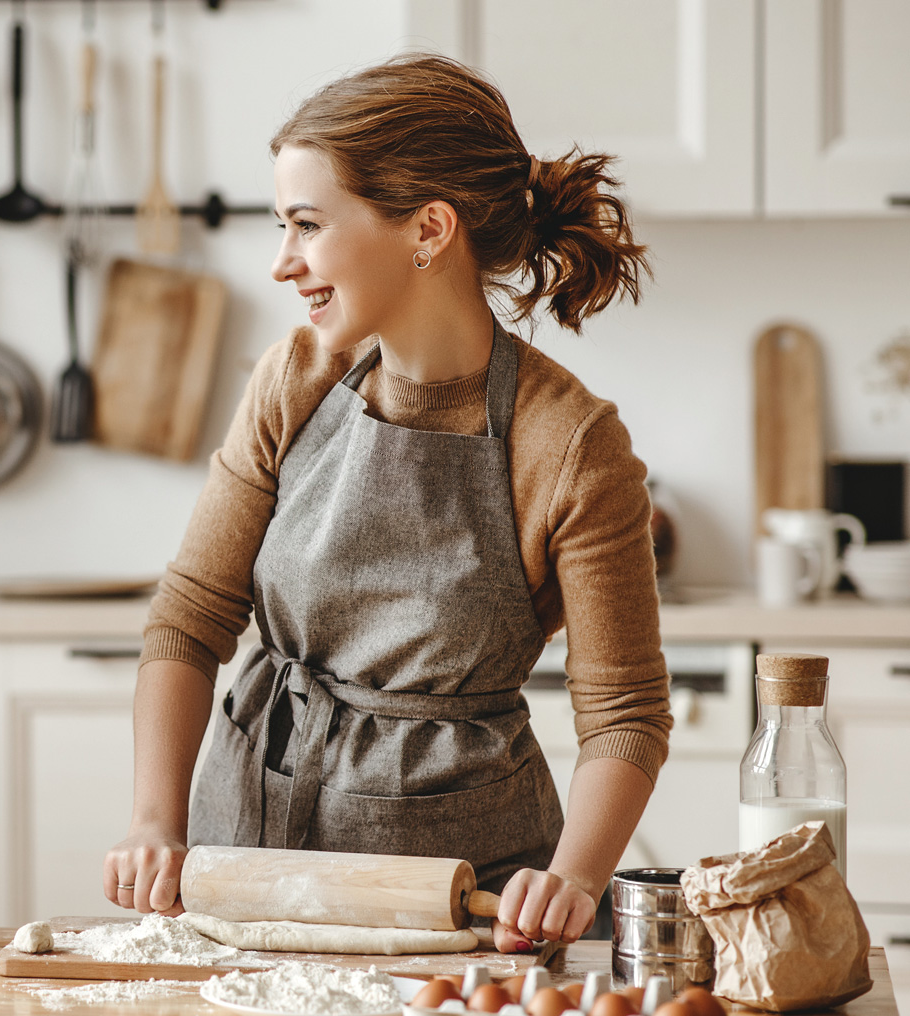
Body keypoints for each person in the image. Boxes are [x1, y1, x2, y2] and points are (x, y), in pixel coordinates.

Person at [101, 54, 671, 952]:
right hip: (246, 872)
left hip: (464, 912)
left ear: (428, 230)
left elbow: (625, 711)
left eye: (307, 225)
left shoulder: (570, 444)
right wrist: (153, 820)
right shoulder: (293, 381)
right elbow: (190, 617)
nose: (283, 262)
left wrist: (572, 877)